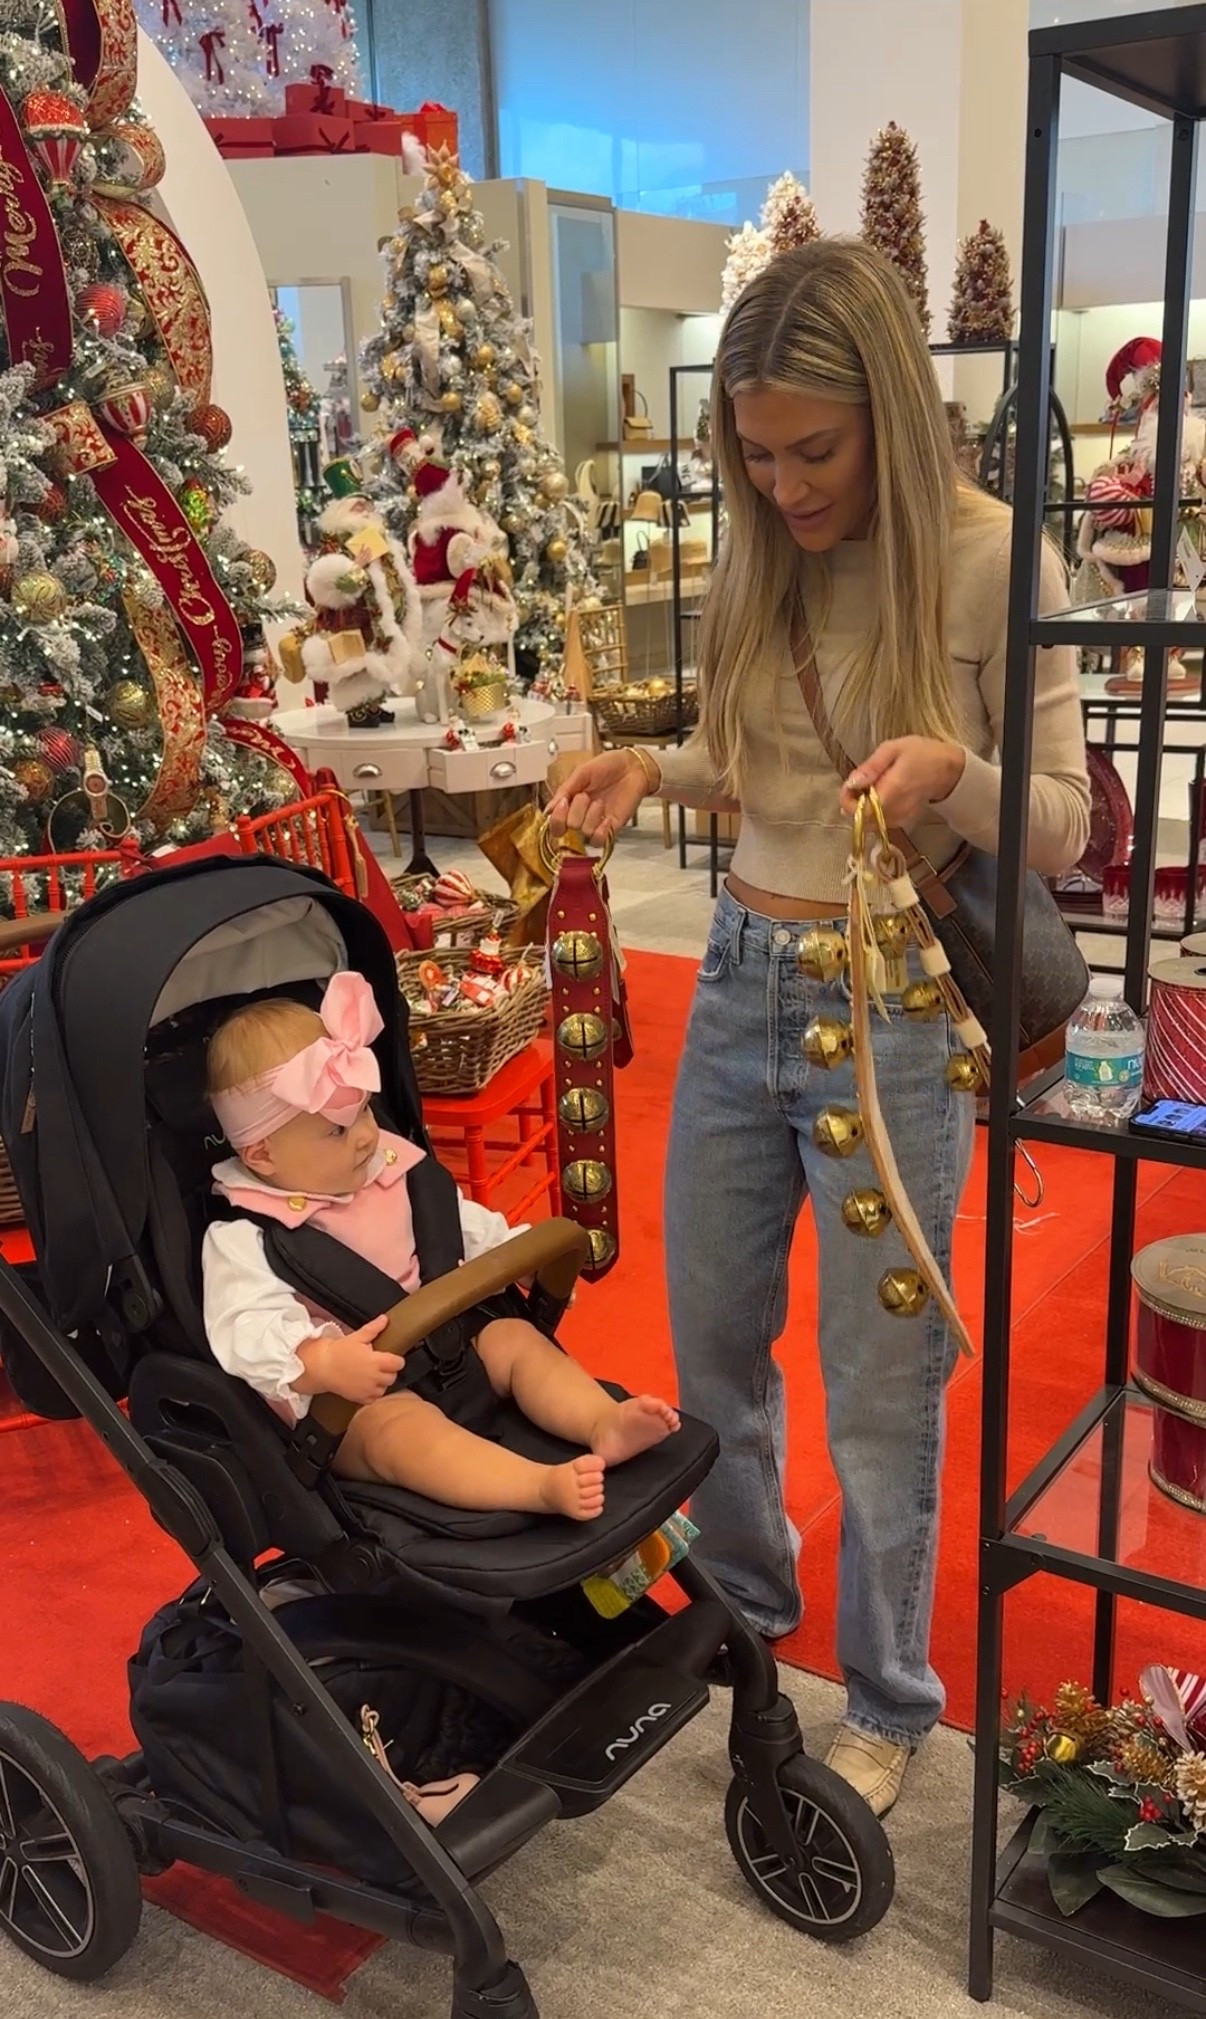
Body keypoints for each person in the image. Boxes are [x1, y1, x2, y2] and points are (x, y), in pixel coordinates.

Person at [549, 238, 1089, 1817]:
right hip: (734, 978)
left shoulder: (992, 558)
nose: (781, 485)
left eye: (813, 451)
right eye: (755, 452)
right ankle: (745, 1616)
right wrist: (654, 769)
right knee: (712, 1345)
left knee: (879, 1377)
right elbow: (762, 764)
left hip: (893, 1006)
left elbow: (1064, 823)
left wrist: (951, 774)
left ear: (889, 425)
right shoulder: (762, 554)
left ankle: (888, 1693)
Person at [202, 973, 679, 1527]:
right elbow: (245, 1328)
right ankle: (534, 1485)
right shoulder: (246, 1237)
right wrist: (324, 1363)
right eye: (337, 1130)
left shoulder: (387, 1169)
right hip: (355, 1403)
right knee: (401, 1434)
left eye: (365, 1111)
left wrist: (514, 1256)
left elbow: (453, 1226)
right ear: (262, 1155)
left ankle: (602, 1421)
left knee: (516, 1338)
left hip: (449, 1345)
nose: (365, 1135)